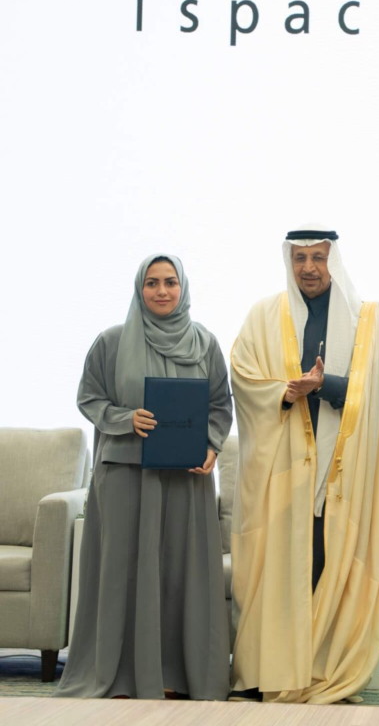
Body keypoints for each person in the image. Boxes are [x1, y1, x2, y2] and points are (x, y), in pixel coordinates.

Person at [229, 226, 379, 704]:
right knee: (275, 568)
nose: (308, 268)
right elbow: (243, 376)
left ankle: (319, 669)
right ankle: (266, 672)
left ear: (333, 261)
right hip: (279, 468)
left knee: (324, 560)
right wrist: (285, 391)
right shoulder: (264, 314)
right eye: (299, 258)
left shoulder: (366, 318)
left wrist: (324, 386)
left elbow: (375, 392)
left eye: (318, 258)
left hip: (339, 467)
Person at [56, 254, 233, 700]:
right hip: (125, 476)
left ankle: (177, 676)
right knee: (122, 573)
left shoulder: (205, 343)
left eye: (170, 282)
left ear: (183, 287)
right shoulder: (111, 342)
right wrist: (124, 418)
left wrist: (211, 446)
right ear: (140, 289)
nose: (161, 291)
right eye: (152, 283)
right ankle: (118, 677)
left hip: (185, 476)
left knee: (180, 574)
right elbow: (89, 398)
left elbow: (220, 404)